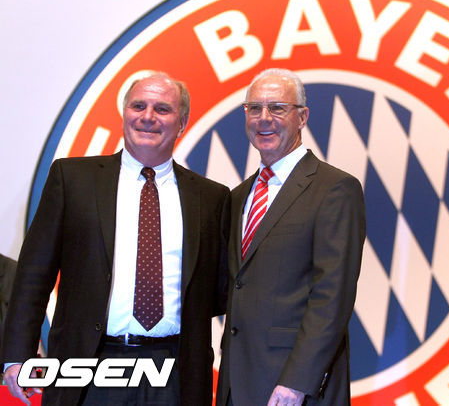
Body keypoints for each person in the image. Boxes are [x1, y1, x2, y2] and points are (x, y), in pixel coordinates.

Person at [2, 72, 230, 406]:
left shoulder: (211, 197)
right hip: (89, 366)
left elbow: (219, 291)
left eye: (162, 109)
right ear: (124, 113)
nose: (148, 116)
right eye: (139, 105)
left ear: (182, 122)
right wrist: (17, 355)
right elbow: (34, 275)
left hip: (174, 373)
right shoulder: (72, 180)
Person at [216, 68, 366, 406]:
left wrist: (298, 381)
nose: (264, 118)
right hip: (235, 383)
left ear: (302, 117)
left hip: (294, 388)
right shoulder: (239, 196)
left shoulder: (334, 189)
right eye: (254, 108)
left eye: (278, 108)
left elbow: (333, 294)